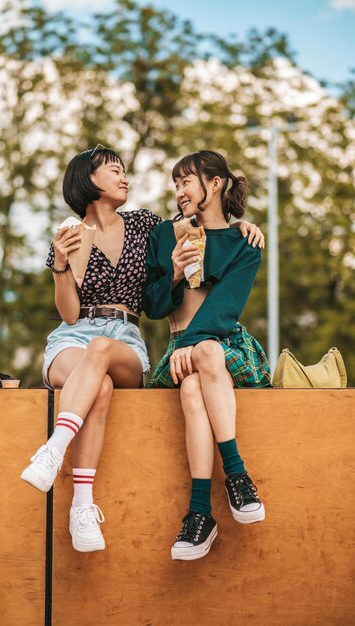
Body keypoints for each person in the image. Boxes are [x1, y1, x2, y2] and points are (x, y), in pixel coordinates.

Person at [21, 145, 264, 553]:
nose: (125, 177)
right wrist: (63, 266)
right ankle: (180, 510)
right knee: (140, 386)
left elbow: (218, 295)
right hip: (95, 337)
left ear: (215, 183)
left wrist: (244, 226)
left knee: (175, 353)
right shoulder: (103, 234)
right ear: (89, 181)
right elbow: (84, 310)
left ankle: (55, 449)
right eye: (114, 171)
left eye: (185, 180)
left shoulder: (159, 228)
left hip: (166, 340)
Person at [143, 150, 271, 562]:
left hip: (222, 344)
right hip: (180, 349)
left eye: (186, 181)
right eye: (175, 184)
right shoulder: (166, 235)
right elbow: (153, 305)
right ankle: (236, 476)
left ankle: (201, 512)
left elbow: (226, 307)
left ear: (214, 184)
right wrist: (176, 272)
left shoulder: (245, 242)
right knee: (195, 378)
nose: (179, 191)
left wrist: (194, 345)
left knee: (203, 368)